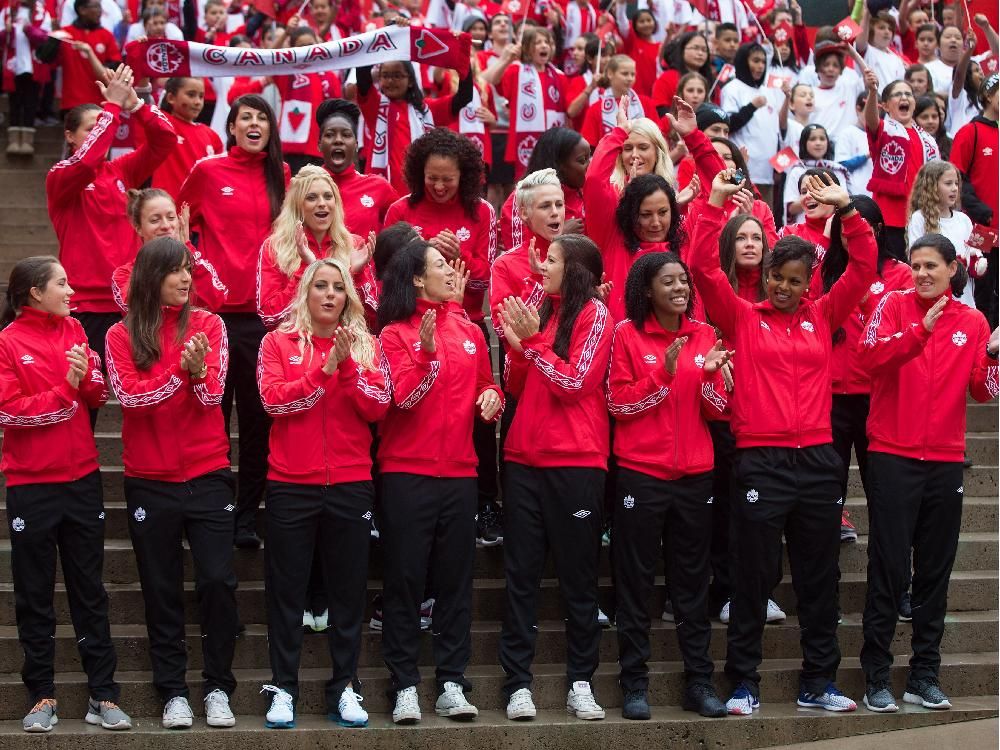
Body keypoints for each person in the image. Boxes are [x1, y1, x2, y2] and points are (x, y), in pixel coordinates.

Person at [689, 170, 876, 716]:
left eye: (795, 280)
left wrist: (848, 213)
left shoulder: (824, 315)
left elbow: (863, 267)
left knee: (819, 578)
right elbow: (703, 268)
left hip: (819, 459)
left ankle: (818, 682)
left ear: (808, 281)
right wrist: (713, 206)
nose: (785, 288)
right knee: (752, 575)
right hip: (761, 460)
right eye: (777, 278)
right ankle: (742, 683)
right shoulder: (744, 319)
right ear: (766, 274)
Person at [859, 233, 999, 713]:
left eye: (930, 266)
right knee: (890, 568)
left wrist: (996, 355)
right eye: (915, 265)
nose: (920, 274)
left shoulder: (974, 321)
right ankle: (876, 676)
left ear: (953, 269)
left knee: (934, 573)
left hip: (944, 459)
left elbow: (984, 390)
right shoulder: (894, 307)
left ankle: (924, 675)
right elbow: (869, 357)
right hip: (893, 455)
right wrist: (920, 330)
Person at [104, 237, 239, 730]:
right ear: (151, 276)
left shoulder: (211, 324)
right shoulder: (121, 335)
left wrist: (198, 375)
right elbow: (131, 398)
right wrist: (180, 373)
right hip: (150, 479)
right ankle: (174, 692)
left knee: (218, 582)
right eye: (176, 271)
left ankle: (219, 688)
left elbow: (212, 398)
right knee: (160, 590)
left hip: (207, 475)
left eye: (189, 270)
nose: (186, 279)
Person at [0, 257, 131, 734]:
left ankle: (104, 694)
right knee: (35, 593)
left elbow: (96, 395)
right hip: (31, 485)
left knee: (89, 591)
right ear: (35, 292)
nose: (72, 290)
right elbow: (10, 412)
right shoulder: (7, 343)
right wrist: (65, 389)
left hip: (82, 480)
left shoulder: (76, 330)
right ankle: (41, 695)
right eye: (62, 282)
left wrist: (88, 381)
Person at [257, 258, 389, 730]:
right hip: (292, 484)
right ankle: (284, 688)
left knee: (348, 593)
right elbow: (274, 401)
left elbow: (378, 408)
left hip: (351, 484)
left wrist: (347, 366)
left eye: (338, 287)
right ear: (305, 293)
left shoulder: (367, 344)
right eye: (321, 286)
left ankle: (345, 687)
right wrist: (322, 372)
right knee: (287, 593)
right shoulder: (277, 341)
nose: (330, 294)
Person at [377, 240, 503, 725]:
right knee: (405, 580)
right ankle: (404, 684)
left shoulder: (470, 329)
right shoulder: (392, 334)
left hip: (460, 473)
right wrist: (426, 355)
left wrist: (493, 398)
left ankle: (452, 681)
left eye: (452, 266)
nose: (453, 273)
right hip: (406, 471)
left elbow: (486, 385)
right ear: (414, 278)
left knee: (455, 581)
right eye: (440, 267)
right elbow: (402, 399)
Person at [607, 251, 731, 721]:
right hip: (642, 473)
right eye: (668, 281)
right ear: (646, 290)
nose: (680, 288)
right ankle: (634, 684)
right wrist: (665, 373)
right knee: (636, 584)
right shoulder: (626, 334)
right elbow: (618, 404)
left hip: (696, 474)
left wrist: (713, 376)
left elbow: (718, 410)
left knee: (692, 586)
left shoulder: (703, 334)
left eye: (683, 281)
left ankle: (698, 683)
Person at [497, 233, 612, 723]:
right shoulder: (538, 305)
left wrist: (534, 343)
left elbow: (574, 383)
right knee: (520, 575)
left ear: (578, 270)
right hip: (524, 458)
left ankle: (581, 682)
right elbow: (515, 382)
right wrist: (522, 348)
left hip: (577, 461)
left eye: (553, 260)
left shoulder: (597, 315)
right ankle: (517, 684)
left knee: (578, 579)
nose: (543, 265)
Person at [178, 93, 291, 549]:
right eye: (245, 116)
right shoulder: (207, 171)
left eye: (261, 117)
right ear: (231, 126)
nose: (253, 123)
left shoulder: (279, 174)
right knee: (211, 419)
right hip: (214, 318)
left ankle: (244, 516)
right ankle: (210, 511)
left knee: (259, 423)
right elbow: (179, 228)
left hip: (265, 321)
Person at [383, 128, 498, 523]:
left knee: (478, 416)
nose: (439, 185)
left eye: (448, 178)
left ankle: (485, 501)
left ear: (464, 175)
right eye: (431, 176)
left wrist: (457, 255)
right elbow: (389, 272)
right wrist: (421, 250)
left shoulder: (480, 210)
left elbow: (484, 280)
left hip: (467, 324)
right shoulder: (400, 209)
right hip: (409, 325)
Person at [45, 64, 175, 361]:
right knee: (85, 392)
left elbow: (165, 141)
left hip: (130, 301)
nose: (101, 133)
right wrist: (112, 107)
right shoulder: (61, 176)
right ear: (69, 136)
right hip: (86, 305)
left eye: (103, 127)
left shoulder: (120, 170)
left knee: (138, 390)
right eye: (91, 128)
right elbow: (87, 161)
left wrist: (135, 105)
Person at [816, 196, 912, 546]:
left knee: (882, 491)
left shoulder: (900, 274)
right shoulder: (824, 272)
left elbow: (905, 328)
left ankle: (887, 589)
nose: (855, 240)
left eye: (866, 232)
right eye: (845, 234)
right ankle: (828, 592)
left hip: (879, 396)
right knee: (829, 486)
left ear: (878, 231)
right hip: (832, 397)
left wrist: (868, 301)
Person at [257, 165, 375, 330]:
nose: (322, 203)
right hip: (296, 349)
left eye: (328, 196)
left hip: (345, 344)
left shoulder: (354, 246)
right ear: (298, 206)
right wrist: (305, 269)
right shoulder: (275, 247)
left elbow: (373, 318)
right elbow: (269, 317)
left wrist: (356, 274)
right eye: (311, 197)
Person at [356, 49, 473, 193]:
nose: (391, 81)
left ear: (410, 80)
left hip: (418, 194)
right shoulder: (375, 106)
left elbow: (464, 97)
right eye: (385, 76)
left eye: (397, 76)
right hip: (382, 193)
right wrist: (389, 37)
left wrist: (463, 53)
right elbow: (362, 77)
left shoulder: (427, 109)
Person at [863, 71, 939, 262]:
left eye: (908, 94)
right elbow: (871, 120)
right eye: (897, 94)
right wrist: (873, 91)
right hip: (888, 218)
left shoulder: (928, 140)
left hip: (919, 217)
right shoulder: (884, 130)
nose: (904, 97)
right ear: (886, 105)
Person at [113, 188, 228, 313]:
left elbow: (215, 300)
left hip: (194, 332)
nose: (166, 226)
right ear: (139, 228)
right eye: (155, 220)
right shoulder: (125, 274)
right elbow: (138, 307)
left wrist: (188, 255)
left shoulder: (193, 259)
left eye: (171, 217)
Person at [315, 98, 399, 238]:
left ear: (355, 145)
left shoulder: (378, 187)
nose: (338, 140)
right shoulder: (303, 187)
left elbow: (402, 229)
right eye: (330, 135)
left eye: (346, 135)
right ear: (319, 145)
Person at [493, 26, 568, 178]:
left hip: (552, 139)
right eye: (537, 42)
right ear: (526, 48)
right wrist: (507, 59)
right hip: (525, 141)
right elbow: (494, 80)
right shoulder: (516, 71)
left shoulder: (559, 76)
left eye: (546, 42)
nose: (544, 45)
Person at [907, 160, 982, 308]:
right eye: (948, 184)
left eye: (956, 183)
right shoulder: (919, 218)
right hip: (935, 300)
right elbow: (915, 257)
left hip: (964, 298)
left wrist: (976, 261)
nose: (954, 188)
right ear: (932, 187)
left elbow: (973, 253)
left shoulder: (964, 220)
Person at [500, 126, 590, 250]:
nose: (589, 166)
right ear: (559, 165)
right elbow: (518, 256)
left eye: (559, 205)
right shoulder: (519, 200)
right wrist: (559, 236)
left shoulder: (586, 193)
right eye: (582, 161)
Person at [721, 42, 785, 208]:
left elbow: (775, 132)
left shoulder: (769, 91)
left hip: (766, 172)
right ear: (743, 61)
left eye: (763, 62)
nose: (760, 66)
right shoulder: (732, 89)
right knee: (739, 217)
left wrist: (777, 167)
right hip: (742, 171)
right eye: (755, 61)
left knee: (764, 222)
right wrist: (751, 107)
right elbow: (729, 124)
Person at [147, 77, 224, 200]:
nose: (198, 102)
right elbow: (142, 97)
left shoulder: (211, 135)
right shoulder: (161, 123)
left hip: (197, 212)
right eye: (191, 95)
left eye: (201, 96)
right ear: (171, 98)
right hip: (166, 209)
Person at [1, 0, 53, 156]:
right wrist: (6, 31)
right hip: (14, 64)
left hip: (33, 64)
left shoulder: (42, 13)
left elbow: (46, 38)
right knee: (15, 100)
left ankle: (27, 140)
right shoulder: (8, 11)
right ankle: (14, 139)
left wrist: (28, 29)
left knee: (31, 101)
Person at [579, 55, 658, 148]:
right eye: (625, 74)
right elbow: (589, 146)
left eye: (633, 74)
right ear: (610, 74)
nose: (630, 78)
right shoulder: (596, 109)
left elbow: (656, 137)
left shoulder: (646, 103)